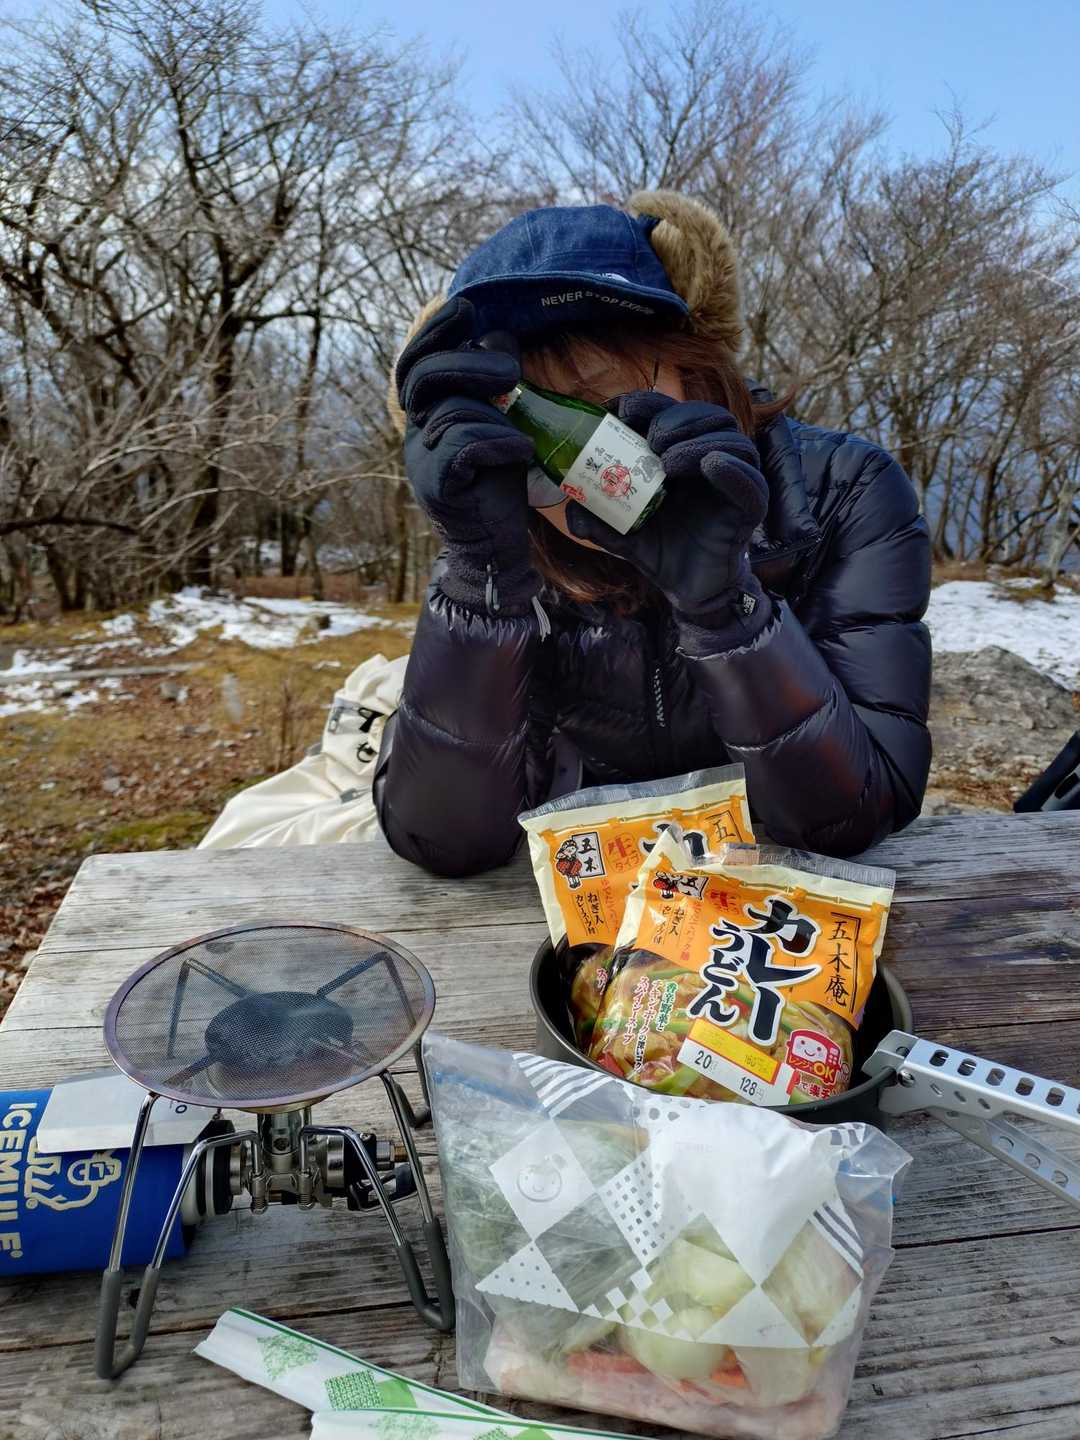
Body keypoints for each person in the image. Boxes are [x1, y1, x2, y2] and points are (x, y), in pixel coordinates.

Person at [375, 191, 931, 875]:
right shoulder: (503, 531)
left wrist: (727, 609)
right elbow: (445, 842)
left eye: (605, 403)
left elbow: (861, 810)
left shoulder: (840, 491)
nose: (573, 464)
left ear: (697, 375)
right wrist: (481, 585)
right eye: (534, 428)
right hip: (593, 898)